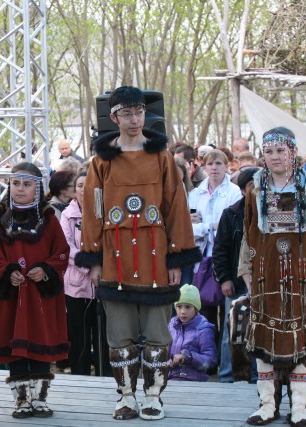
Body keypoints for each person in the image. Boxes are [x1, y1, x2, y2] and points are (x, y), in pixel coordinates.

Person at [75, 86, 200, 421]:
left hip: (155, 258)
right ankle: (126, 396)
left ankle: (153, 397)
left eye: (139, 112)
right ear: (114, 117)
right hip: (114, 260)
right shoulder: (101, 161)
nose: (134, 119)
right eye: (127, 113)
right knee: (119, 336)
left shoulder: (162, 158)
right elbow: (93, 213)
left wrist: (176, 258)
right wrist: (94, 259)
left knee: (158, 335)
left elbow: (175, 208)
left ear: (146, 114)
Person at [240, 127, 306, 427]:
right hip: (266, 277)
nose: (275, 157)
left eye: (281, 151)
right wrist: (251, 269)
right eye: (269, 152)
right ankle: (268, 404)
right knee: (264, 338)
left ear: (293, 152)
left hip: (301, 277)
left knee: (301, 340)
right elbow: (249, 232)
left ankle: (300, 407)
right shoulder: (255, 190)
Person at [0, 162, 69, 418]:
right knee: (14, 343)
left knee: (41, 339)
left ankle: (40, 399)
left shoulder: (49, 219)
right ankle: (22, 400)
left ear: (37, 188)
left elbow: (62, 252)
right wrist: (6, 272)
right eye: (16, 183)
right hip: (12, 295)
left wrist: (46, 269)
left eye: (27, 184)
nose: (20, 189)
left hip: (40, 294)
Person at [188, 149, 242, 383]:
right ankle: (208, 362)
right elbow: (189, 226)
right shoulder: (195, 193)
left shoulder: (234, 192)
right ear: (204, 166)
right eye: (210, 164)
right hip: (201, 260)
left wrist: (203, 226)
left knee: (228, 314)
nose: (214, 168)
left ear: (227, 166)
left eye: (219, 163)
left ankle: (227, 366)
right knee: (206, 313)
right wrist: (209, 227)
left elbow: (229, 227)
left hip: (225, 259)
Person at [212, 166, 260, 383]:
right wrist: (224, 279)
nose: (257, 189)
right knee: (231, 330)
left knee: (260, 330)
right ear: (242, 189)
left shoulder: (271, 213)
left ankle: (258, 375)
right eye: (252, 185)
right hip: (236, 281)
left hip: (263, 282)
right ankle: (227, 375)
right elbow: (220, 250)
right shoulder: (231, 214)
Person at [60, 172, 109, 376]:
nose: (83, 189)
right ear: (74, 190)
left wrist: (102, 267)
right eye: (79, 185)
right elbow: (67, 248)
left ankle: (106, 377)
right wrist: (90, 267)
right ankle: (80, 378)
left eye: (88, 185)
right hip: (76, 286)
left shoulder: (105, 211)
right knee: (79, 338)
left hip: (104, 284)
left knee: (103, 337)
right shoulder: (67, 215)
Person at [168, 284, 217, 382]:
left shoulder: (204, 329)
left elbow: (210, 360)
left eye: (188, 307)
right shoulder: (171, 325)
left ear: (196, 308)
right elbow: (164, 348)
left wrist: (189, 357)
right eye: (179, 307)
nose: (183, 311)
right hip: (171, 377)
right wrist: (165, 359)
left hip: (194, 380)